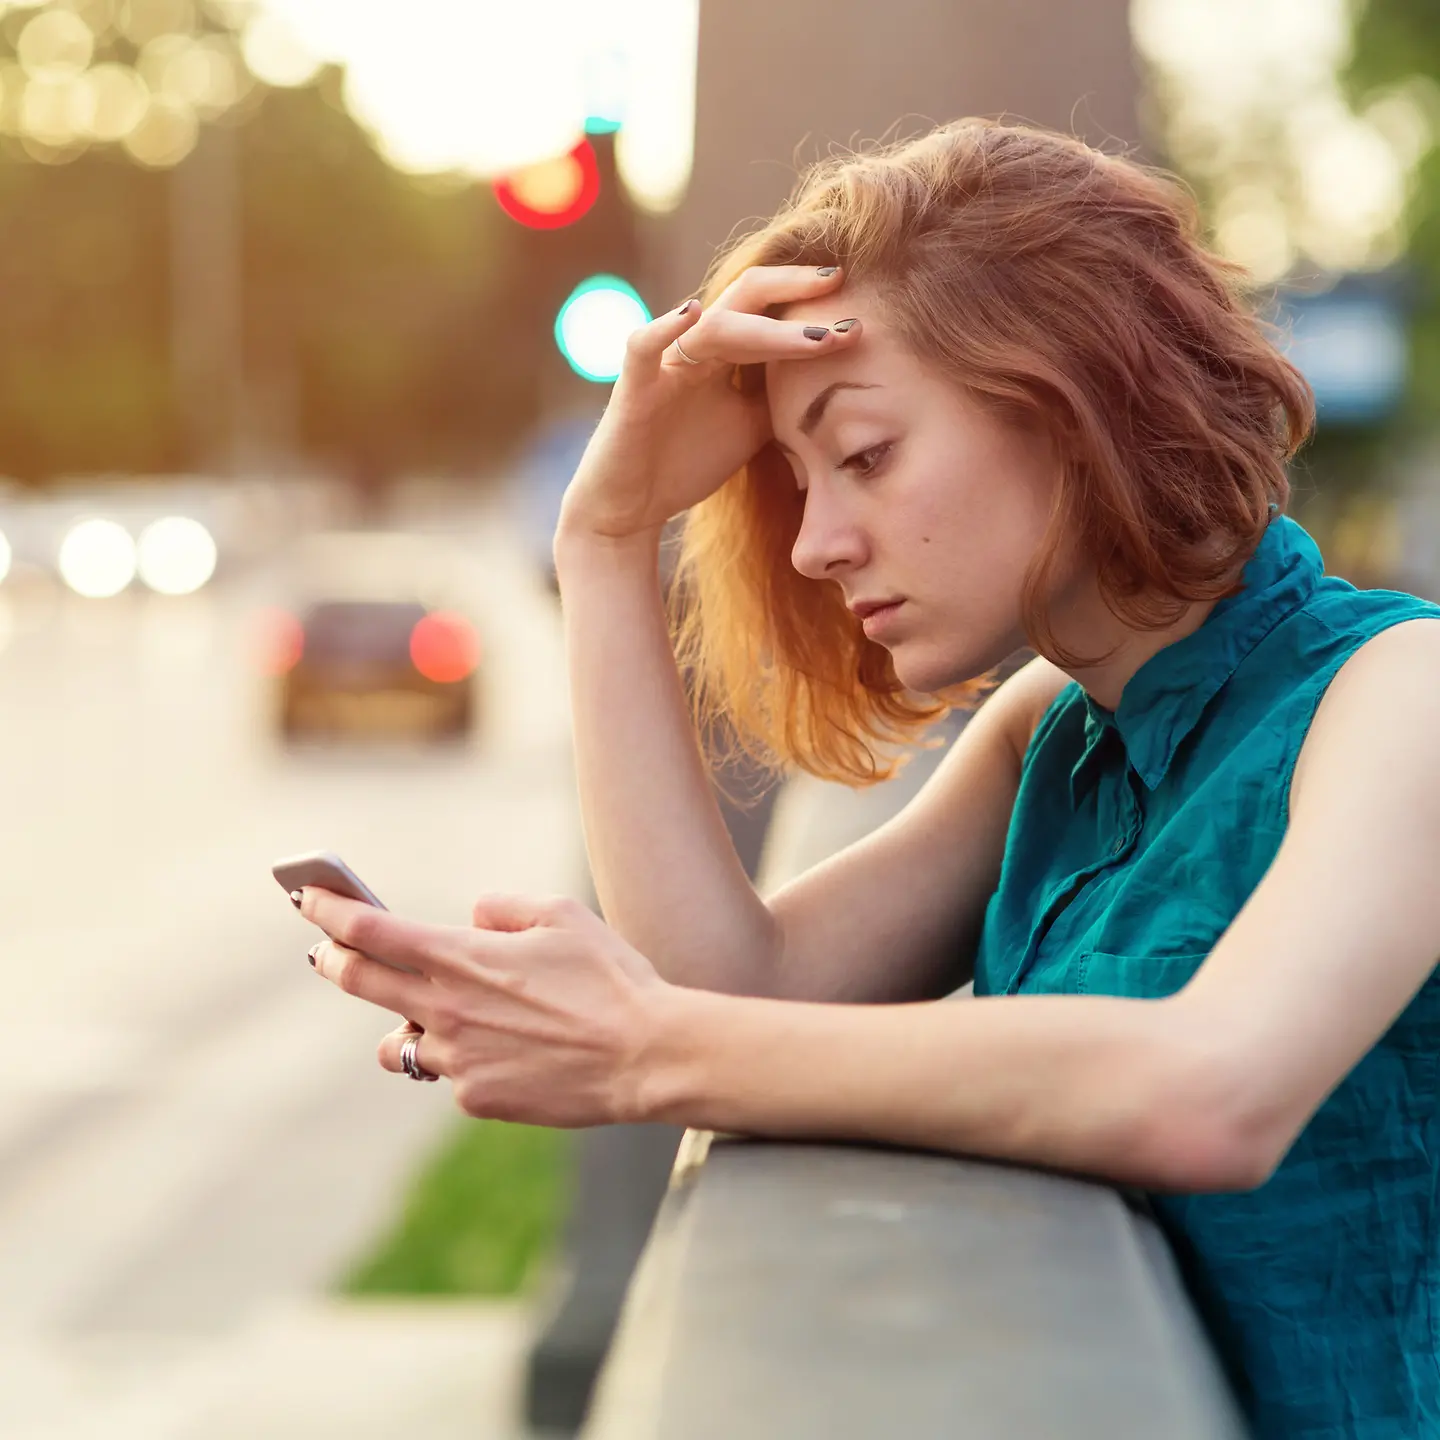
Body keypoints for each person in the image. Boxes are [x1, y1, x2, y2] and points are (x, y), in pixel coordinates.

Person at [295, 119, 1440, 1438]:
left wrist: (646, 1054)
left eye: (868, 454)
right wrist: (605, 536)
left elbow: (1215, 1090)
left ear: (1069, 401)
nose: (817, 546)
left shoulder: (1397, 691)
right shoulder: (1053, 733)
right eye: (795, 477)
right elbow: (737, 979)